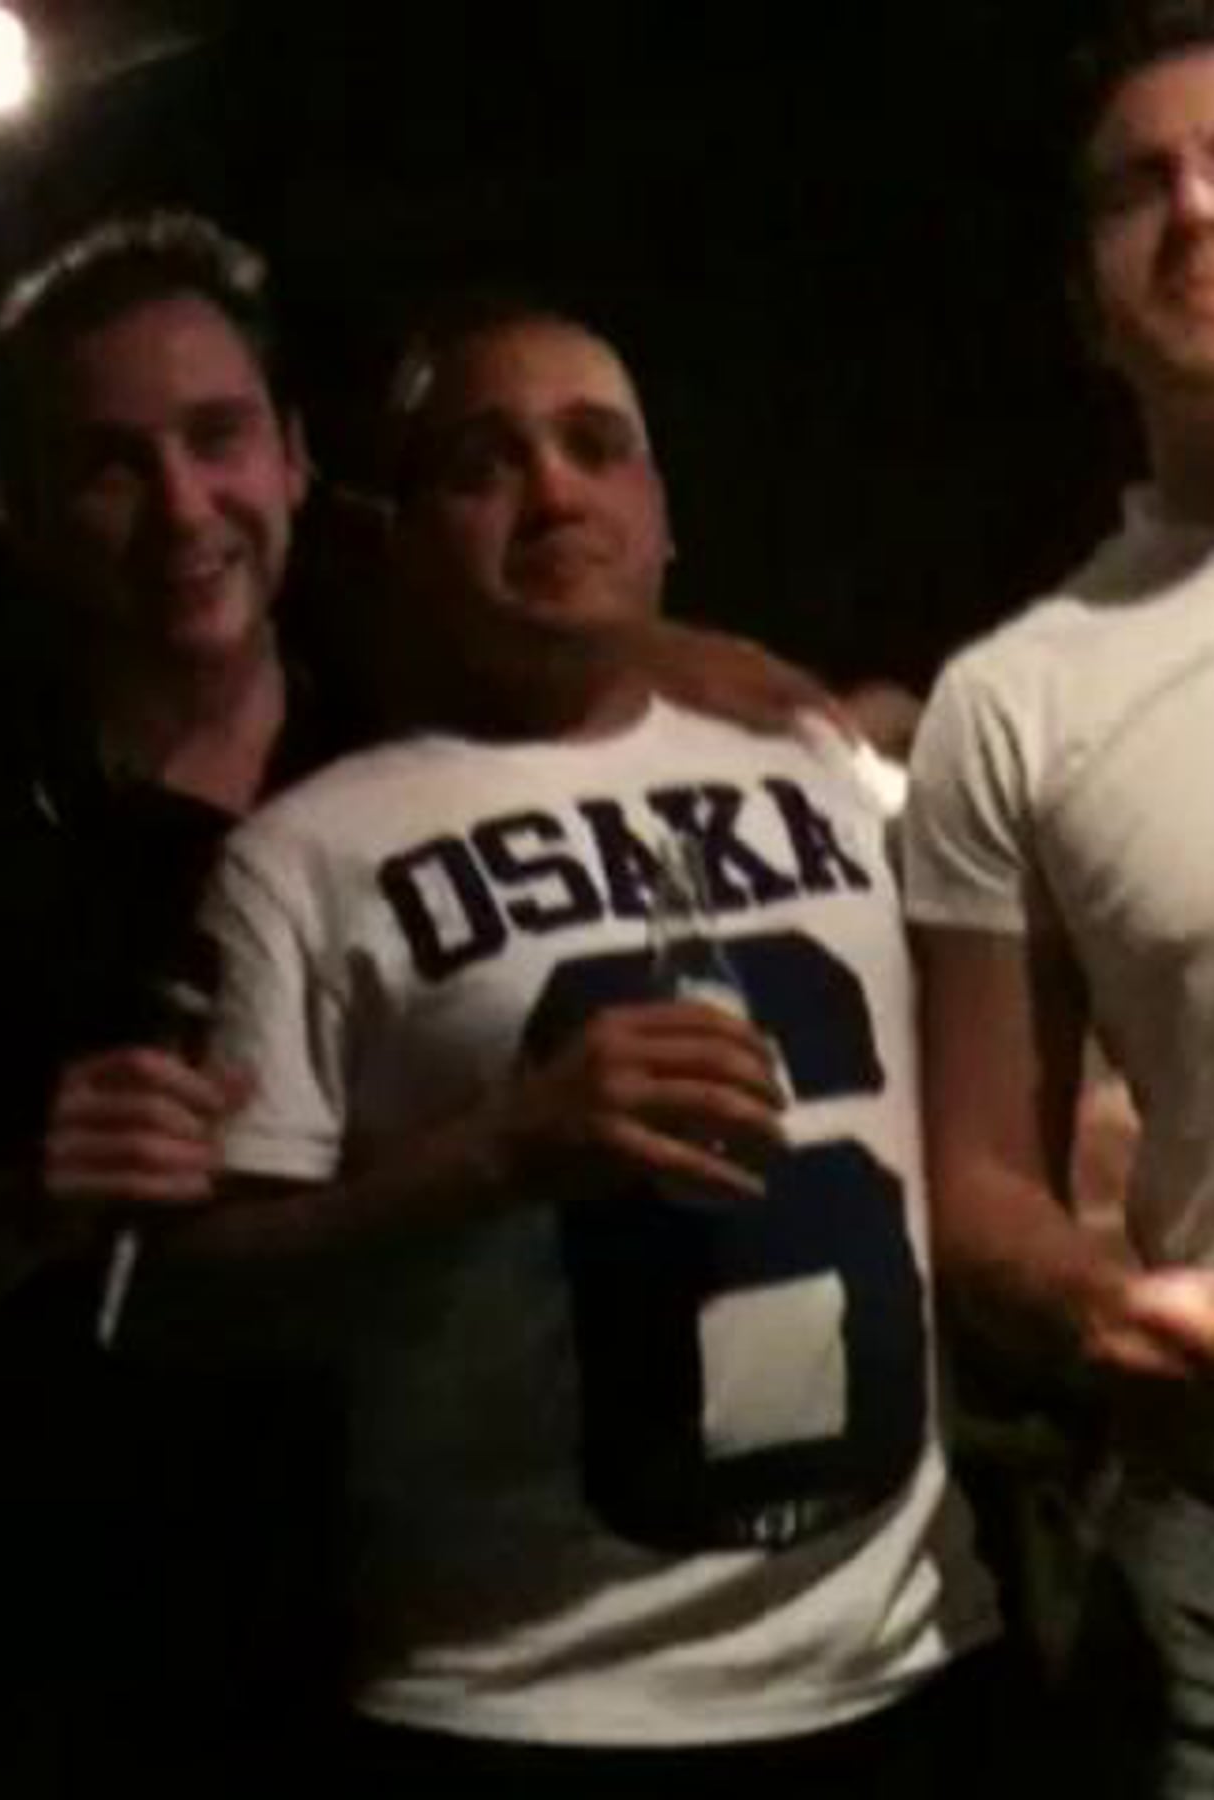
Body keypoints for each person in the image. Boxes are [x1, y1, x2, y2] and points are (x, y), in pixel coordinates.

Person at [0, 216, 847, 1799]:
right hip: (90, 1605)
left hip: (431, 1597)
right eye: (111, 465)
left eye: (218, 439)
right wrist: (17, 1200)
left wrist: (772, 696)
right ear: (23, 507)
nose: (183, 508)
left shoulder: (419, 747)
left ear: (295, 460)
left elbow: (607, 620)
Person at [76, 294, 1001, 1796]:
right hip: (518, 1701)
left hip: (906, 1656)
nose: (554, 490)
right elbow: (184, 1306)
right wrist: (499, 1154)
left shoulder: (831, 768)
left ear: (665, 512)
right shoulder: (306, 858)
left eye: (595, 445)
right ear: (403, 538)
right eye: (483, 462)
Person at [900, 2, 1214, 1790]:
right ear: (1088, 308)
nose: (1195, 210)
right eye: (1138, 188)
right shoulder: (1010, 705)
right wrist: (1093, 1300)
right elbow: (978, 1182)